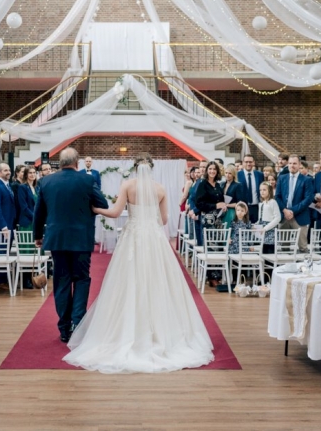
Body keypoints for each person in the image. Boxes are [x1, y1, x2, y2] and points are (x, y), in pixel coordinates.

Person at [63, 152, 213, 373]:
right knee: (158, 282)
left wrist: (95, 209)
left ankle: (125, 331)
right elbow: (163, 220)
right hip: (153, 239)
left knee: (128, 283)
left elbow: (114, 213)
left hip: (133, 238)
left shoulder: (127, 185)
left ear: (135, 168)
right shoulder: (160, 189)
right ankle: (161, 332)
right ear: (151, 169)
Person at [33, 147, 108, 343]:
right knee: (81, 279)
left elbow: (39, 212)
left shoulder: (46, 181)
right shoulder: (87, 180)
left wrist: (38, 235)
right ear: (77, 163)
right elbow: (103, 204)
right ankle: (77, 323)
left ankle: (64, 328)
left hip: (57, 239)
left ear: (60, 162)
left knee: (62, 280)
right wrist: (86, 207)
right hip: (81, 239)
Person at [195, 161, 226, 287]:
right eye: (210, 169)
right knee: (211, 247)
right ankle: (211, 276)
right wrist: (215, 205)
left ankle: (218, 275)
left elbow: (221, 200)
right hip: (207, 219)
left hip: (218, 219)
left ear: (217, 171)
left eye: (214, 169)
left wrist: (223, 205)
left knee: (218, 246)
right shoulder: (203, 184)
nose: (212, 171)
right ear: (207, 171)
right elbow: (199, 203)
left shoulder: (218, 185)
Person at [275, 155, 314, 252]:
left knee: (303, 248)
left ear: (299, 164)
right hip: (284, 216)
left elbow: (308, 199)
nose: (292, 165)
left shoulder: (306, 180)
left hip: (300, 216)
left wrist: (291, 211)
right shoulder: (282, 178)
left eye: (295, 163)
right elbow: (277, 196)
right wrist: (285, 210)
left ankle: (303, 267)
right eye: (290, 163)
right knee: (284, 247)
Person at [0, 163, 16, 292]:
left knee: (6, 252)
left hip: (10, 224)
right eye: (5, 170)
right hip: (3, 227)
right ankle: (0, 281)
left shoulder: (8, 186)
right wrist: (3, 226)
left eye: (9, 170)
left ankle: (4, 279)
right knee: (1, 253)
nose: (8, 172)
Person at [238, 154, 264, 223]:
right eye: (246, 162)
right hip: (242, 207)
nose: (248, 164)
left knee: (256, 229)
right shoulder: (238, 175)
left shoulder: (260, 175)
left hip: (256, 207)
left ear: (253, 163)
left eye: (250, 162)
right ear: (243, 163)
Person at [257, 181, 281, 255]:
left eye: (264, 190)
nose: (262, 192)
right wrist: (255, 225)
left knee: (269, 253)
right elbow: (260, 218)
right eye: (260, 190)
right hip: (262, 230)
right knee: (263, 252)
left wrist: (265, 228)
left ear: (269, 191)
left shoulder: (273, 202)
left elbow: (278, 218)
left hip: (270, 231)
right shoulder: (262, 203)